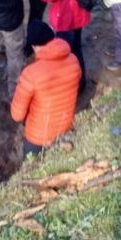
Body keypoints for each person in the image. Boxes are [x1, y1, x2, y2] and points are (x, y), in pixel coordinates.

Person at [10, 20, 81, 158]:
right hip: (65, 128)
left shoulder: (31, 73)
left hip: (38, 137)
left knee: (32, 167)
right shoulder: (74, 60)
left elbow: (16, 115)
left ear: (34, 46)